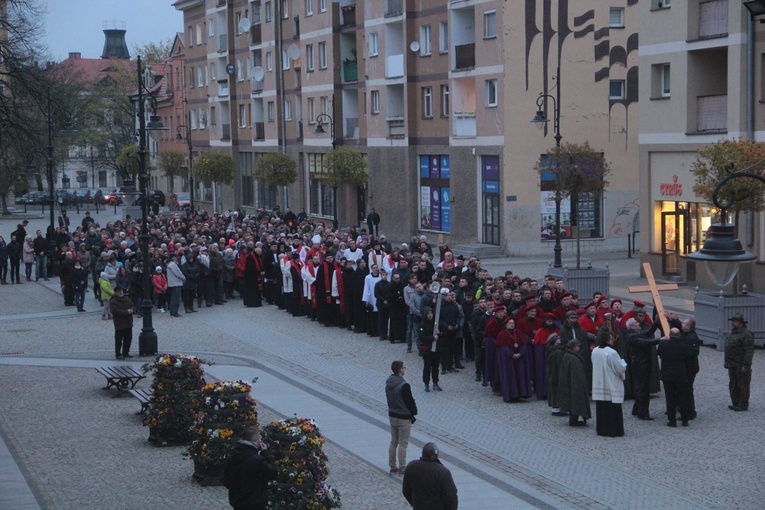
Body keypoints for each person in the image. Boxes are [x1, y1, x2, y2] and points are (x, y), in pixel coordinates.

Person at [223, 428, 277, 510]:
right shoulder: (257, 460)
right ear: (256, 440)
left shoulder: (233, 455)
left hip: (238, 502)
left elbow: (226, 478)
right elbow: (273, 473)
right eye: (260, 438)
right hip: (254, 503)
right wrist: (265, 453)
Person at [591, 329, 627, 437]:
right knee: (612, 409)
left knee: (602, 408)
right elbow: (620, 368)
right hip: (610, 383)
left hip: (599, 383)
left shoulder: (595, 350)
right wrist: (624, 363)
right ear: (608, 340)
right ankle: (613, 430)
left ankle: (601, 429)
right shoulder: (611, 352)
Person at [402, 442, 458, 510]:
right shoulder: (443, 472)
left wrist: (415, 504)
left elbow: (406, 490)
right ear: (437, 455)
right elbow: (451, 497)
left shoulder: (411, 466)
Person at [385, 360, 418, 475]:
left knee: (393, 442)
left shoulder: (388, 382)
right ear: (400, 370)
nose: (404, 369)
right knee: (403, 443)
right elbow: (409, 401)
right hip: (403, 418)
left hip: (392, 415)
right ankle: (402, 467)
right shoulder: (404, 386)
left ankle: (392, 466)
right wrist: (414, 412)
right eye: (403, 367)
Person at [626, 317, 660, 420]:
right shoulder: (633, 337)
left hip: (641, 364)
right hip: (641, 365)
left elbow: (648, 332)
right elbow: (645, 342)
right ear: (632, 326)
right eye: (636, 322)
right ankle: (643, 413)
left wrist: (656, 323)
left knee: (640, 388)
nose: (638, 323)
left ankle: (637, 409)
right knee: (643, 389)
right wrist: (660, 340)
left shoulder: (636, 333)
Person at [657, 328, 691, 427]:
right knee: (683, 397)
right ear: (679, 335)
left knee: (670, 398)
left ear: (669, 335)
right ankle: (685, 420)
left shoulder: (663, 344)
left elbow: (659, 353)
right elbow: (688, 360)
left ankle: (672, 420)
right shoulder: (684, 346)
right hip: (680, 374)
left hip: (667, 375)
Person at [724, 313, 755, 412]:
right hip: (732, 364)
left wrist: (746, 365)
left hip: (740, 364)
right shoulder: (733, 332)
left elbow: (749, 351)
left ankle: (743, 404)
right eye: (732, 321)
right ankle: (736, 402)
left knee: (743, 384)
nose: (733, 323)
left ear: (740, 322)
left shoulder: (746, 334)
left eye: (735, 321)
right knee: (733, 384)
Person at [558, 339, 591, 427]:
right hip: (575, 384)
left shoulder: (567, 356)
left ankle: (573, 418)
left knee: (572, 401)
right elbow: (577, 374)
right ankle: (574, 419)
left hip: (569, 384)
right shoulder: (573, 359)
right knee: (575, 401)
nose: (579, 348)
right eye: (577, 346)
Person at [418, 307, 441, 392]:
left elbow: (440, 335)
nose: (430, 315)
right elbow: (422, 337)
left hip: (436, 349)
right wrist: (432, 338)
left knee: (436, 367)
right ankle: (426, 383)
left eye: (431, 313)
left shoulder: (436, 323)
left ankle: (435, 382)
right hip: (427, 349)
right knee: (427, 367)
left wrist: (439, 333)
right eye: (428, 313)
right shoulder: (423, 324)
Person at [110, 286, 134, 359]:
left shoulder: (127, 299)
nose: (120, 293)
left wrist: (132, 310)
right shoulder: (113, 301)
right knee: (119, 339)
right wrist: (126, 312)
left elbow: (132, 305)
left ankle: (126, 352)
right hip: (119, 323)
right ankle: (118, 354)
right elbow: (115, 311)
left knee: (128, 338)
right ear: (115, 293)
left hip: (128, 322)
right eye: (118, 291)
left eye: (121, 291)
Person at [166, 252, 186, 317]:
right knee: (176, 299)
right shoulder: (172, 265)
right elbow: (177, 273)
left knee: (173, 298)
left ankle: (173, 311)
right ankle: (174, 312)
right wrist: (183, 278)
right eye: (175, 256)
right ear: (173, 257)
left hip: (173, 283)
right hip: (176, 283)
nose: (176, 258)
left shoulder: (170, 264)